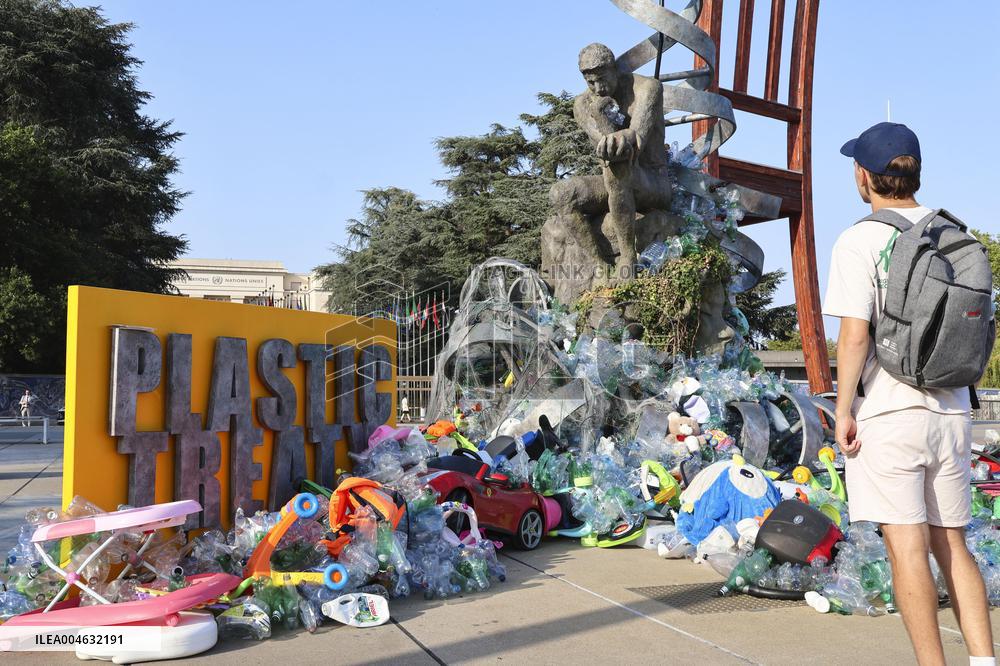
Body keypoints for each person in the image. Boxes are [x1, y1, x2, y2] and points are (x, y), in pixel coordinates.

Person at [823, 121, 993, 666]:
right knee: (953, 545)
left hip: (891, 413)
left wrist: (844, 408)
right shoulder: (953, 234)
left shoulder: (859, 239)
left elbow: (854, 336)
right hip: (952, 410)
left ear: (863, 177)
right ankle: (985, 662)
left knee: (908, 551)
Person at [550, 43, 672, 281]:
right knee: (562, 194)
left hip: (653, 182)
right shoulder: (582, 104)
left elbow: (636, 140)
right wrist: (598, 110)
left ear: (615, 69)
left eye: (602, 80)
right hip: (614, 181)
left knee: (618, 168)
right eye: (590, 83)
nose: (598, 88)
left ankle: (628, 257)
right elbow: (603, 145)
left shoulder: (647, 88)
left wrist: (621, 134)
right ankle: (600, 266)